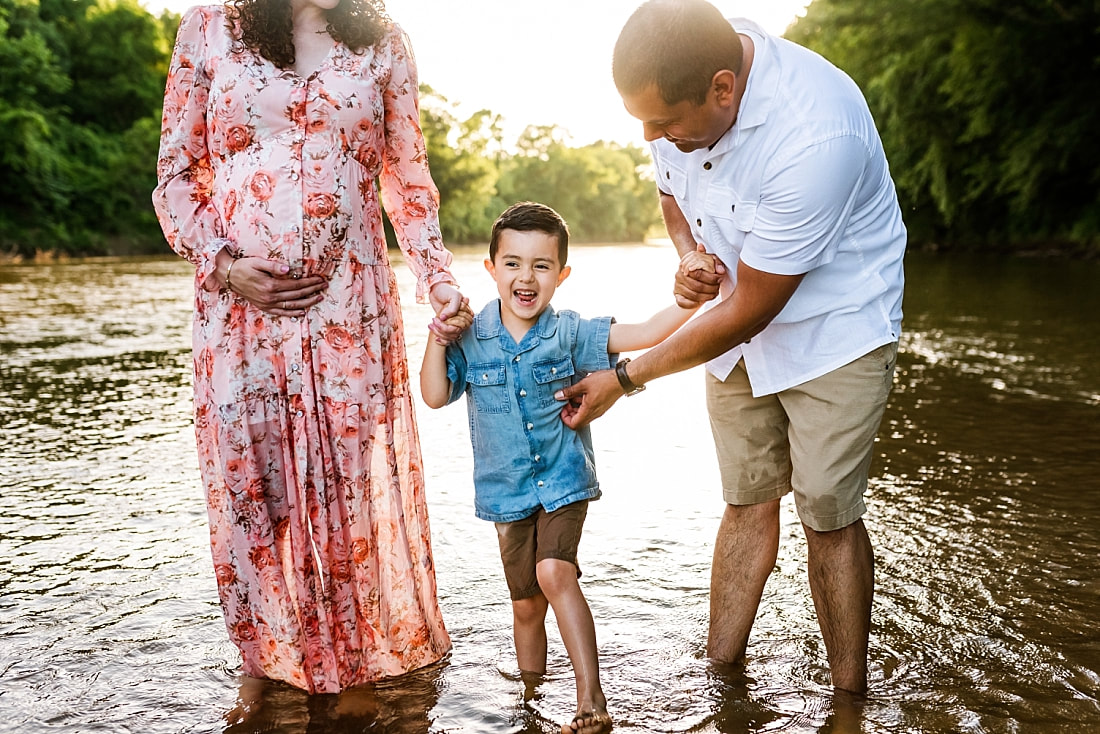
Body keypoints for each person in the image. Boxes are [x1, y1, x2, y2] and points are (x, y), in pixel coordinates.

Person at [557, 0, 907, 695]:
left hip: (833, 333)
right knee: (746, 500)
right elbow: (672, 193)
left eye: (663, 123)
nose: (652, 136)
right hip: (732, 329)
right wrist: (689, 254)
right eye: (643, 123)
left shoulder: (816, 130)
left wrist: (624, 378)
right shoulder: (676, 97)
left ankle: (848, 698)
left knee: (827, 514)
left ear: (724, 88)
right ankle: (720, 675)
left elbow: (753, 306)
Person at [152, 0, 469, 694]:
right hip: (239, 318)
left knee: (344, 498)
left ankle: (347, 681)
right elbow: (176, 175)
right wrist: (225, 265)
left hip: (349, 314)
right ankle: (266, 674)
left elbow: (407, 182)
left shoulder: (385, 44)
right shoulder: (210, 29)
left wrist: (438, 281)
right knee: (254, 496)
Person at [420, 202, 704, 734]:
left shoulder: (569, 333)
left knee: (554, 572)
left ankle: (590, 699)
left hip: (563, 481)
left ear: (561, 275)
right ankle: (529, 701)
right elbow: (434, 395)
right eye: (512, 263)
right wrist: (437, 337)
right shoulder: (470, 334)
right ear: (490, 268)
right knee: (526, 606)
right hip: (506, 496)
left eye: (541, 265)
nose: (526, 277)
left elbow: (644, 333)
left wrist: (691, 299)